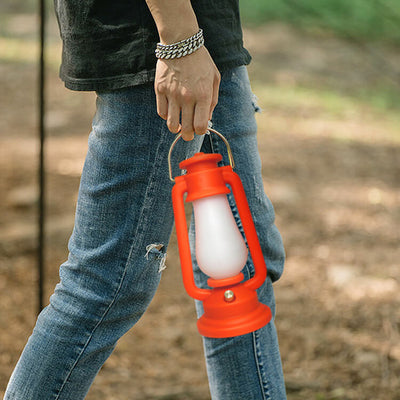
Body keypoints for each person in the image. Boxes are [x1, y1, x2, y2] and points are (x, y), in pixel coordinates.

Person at [4, 0, 287, 398]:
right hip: (158, 39)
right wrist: (180, 40)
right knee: (108, 282)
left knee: (241, 267)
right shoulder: (174, 42)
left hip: (204, 33)